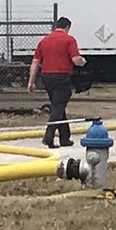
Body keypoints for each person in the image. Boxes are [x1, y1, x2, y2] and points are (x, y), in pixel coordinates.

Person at [28, 17, 87, 148]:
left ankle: (65, 137)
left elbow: (35, 62)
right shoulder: (69, 39)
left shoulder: (44, 40)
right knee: (58, 106)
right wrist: (83, 61)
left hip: (46, 77)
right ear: (67, 28)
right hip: (62, 76)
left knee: (58, 105)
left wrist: (31, 81)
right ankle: (48, 136)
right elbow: (76, 59)